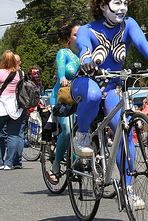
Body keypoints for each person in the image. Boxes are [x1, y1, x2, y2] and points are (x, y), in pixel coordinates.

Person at [72, 0, 148, 209]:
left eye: (125, 3)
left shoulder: (129, 25)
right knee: (94, 95)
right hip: (88, 82)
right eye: (117, 3)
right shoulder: (87, 29)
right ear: (103, 4)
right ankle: (82, 135)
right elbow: (85, 49)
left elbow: (143, 44)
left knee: (124, 133)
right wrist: (86, 64)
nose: (123, 8)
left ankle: (127, 189)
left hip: (114, 86)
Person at [47, 22, 80, 183]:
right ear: (69, 37)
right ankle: (55, 166)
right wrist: (63, 78)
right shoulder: (63, 53)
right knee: (67, 131)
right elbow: (61, 71)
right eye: (75, 35)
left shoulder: (86, 55)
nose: (79, 38)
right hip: (62, 96)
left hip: (79, 97)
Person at [0, 50, 24, 170]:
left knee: (0, 135)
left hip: (2, 106)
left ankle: (0, 161)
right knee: (14, 135)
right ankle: (10, 163)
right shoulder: (21, 73)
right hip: (16, 106)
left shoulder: (0, 73)